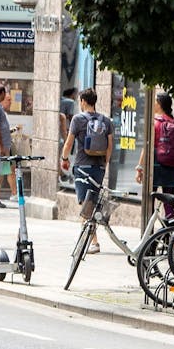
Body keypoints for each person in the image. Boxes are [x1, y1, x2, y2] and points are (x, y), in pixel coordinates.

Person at [61, 88, 114, 253]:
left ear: (83, 101)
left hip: (82, 166)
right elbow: (110, 146)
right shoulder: (106, 121)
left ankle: (93, 242)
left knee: (86, 205)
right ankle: (88, 239)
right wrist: (105, 163)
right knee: (91, 203)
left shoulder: (78, 120)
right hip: (98, 167)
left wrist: (64, 159)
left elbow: (69, 143)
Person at [137, 92, 174, 219]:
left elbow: (146, 147)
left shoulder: (155, 122)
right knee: (169, 203)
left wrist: (139, 167)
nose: (153, 104)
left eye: (155, 101)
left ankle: (150, 234)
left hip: (156, 166)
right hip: (173, 168)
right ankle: (169, 234)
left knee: (149, 201)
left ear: (159, 105)